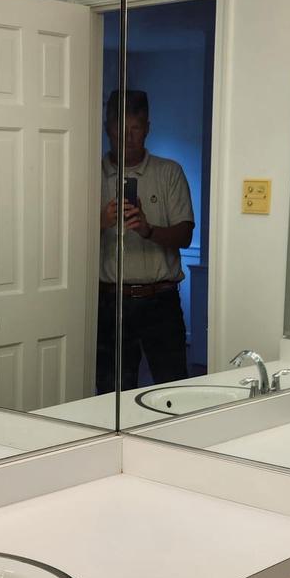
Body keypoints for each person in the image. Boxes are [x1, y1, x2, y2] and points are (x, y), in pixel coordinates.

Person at [97, 88, 195, 393]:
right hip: (109, 301)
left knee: (172, 390)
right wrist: (102, 222)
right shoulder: (89, 173)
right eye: (119, 129)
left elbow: (185, 235)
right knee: (112, 393)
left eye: (135, 129)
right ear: (107, 127)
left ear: (148, 128)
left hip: (160, 302)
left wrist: (148, 230)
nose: (127, 137)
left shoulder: (169, 173)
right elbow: (62, 240)